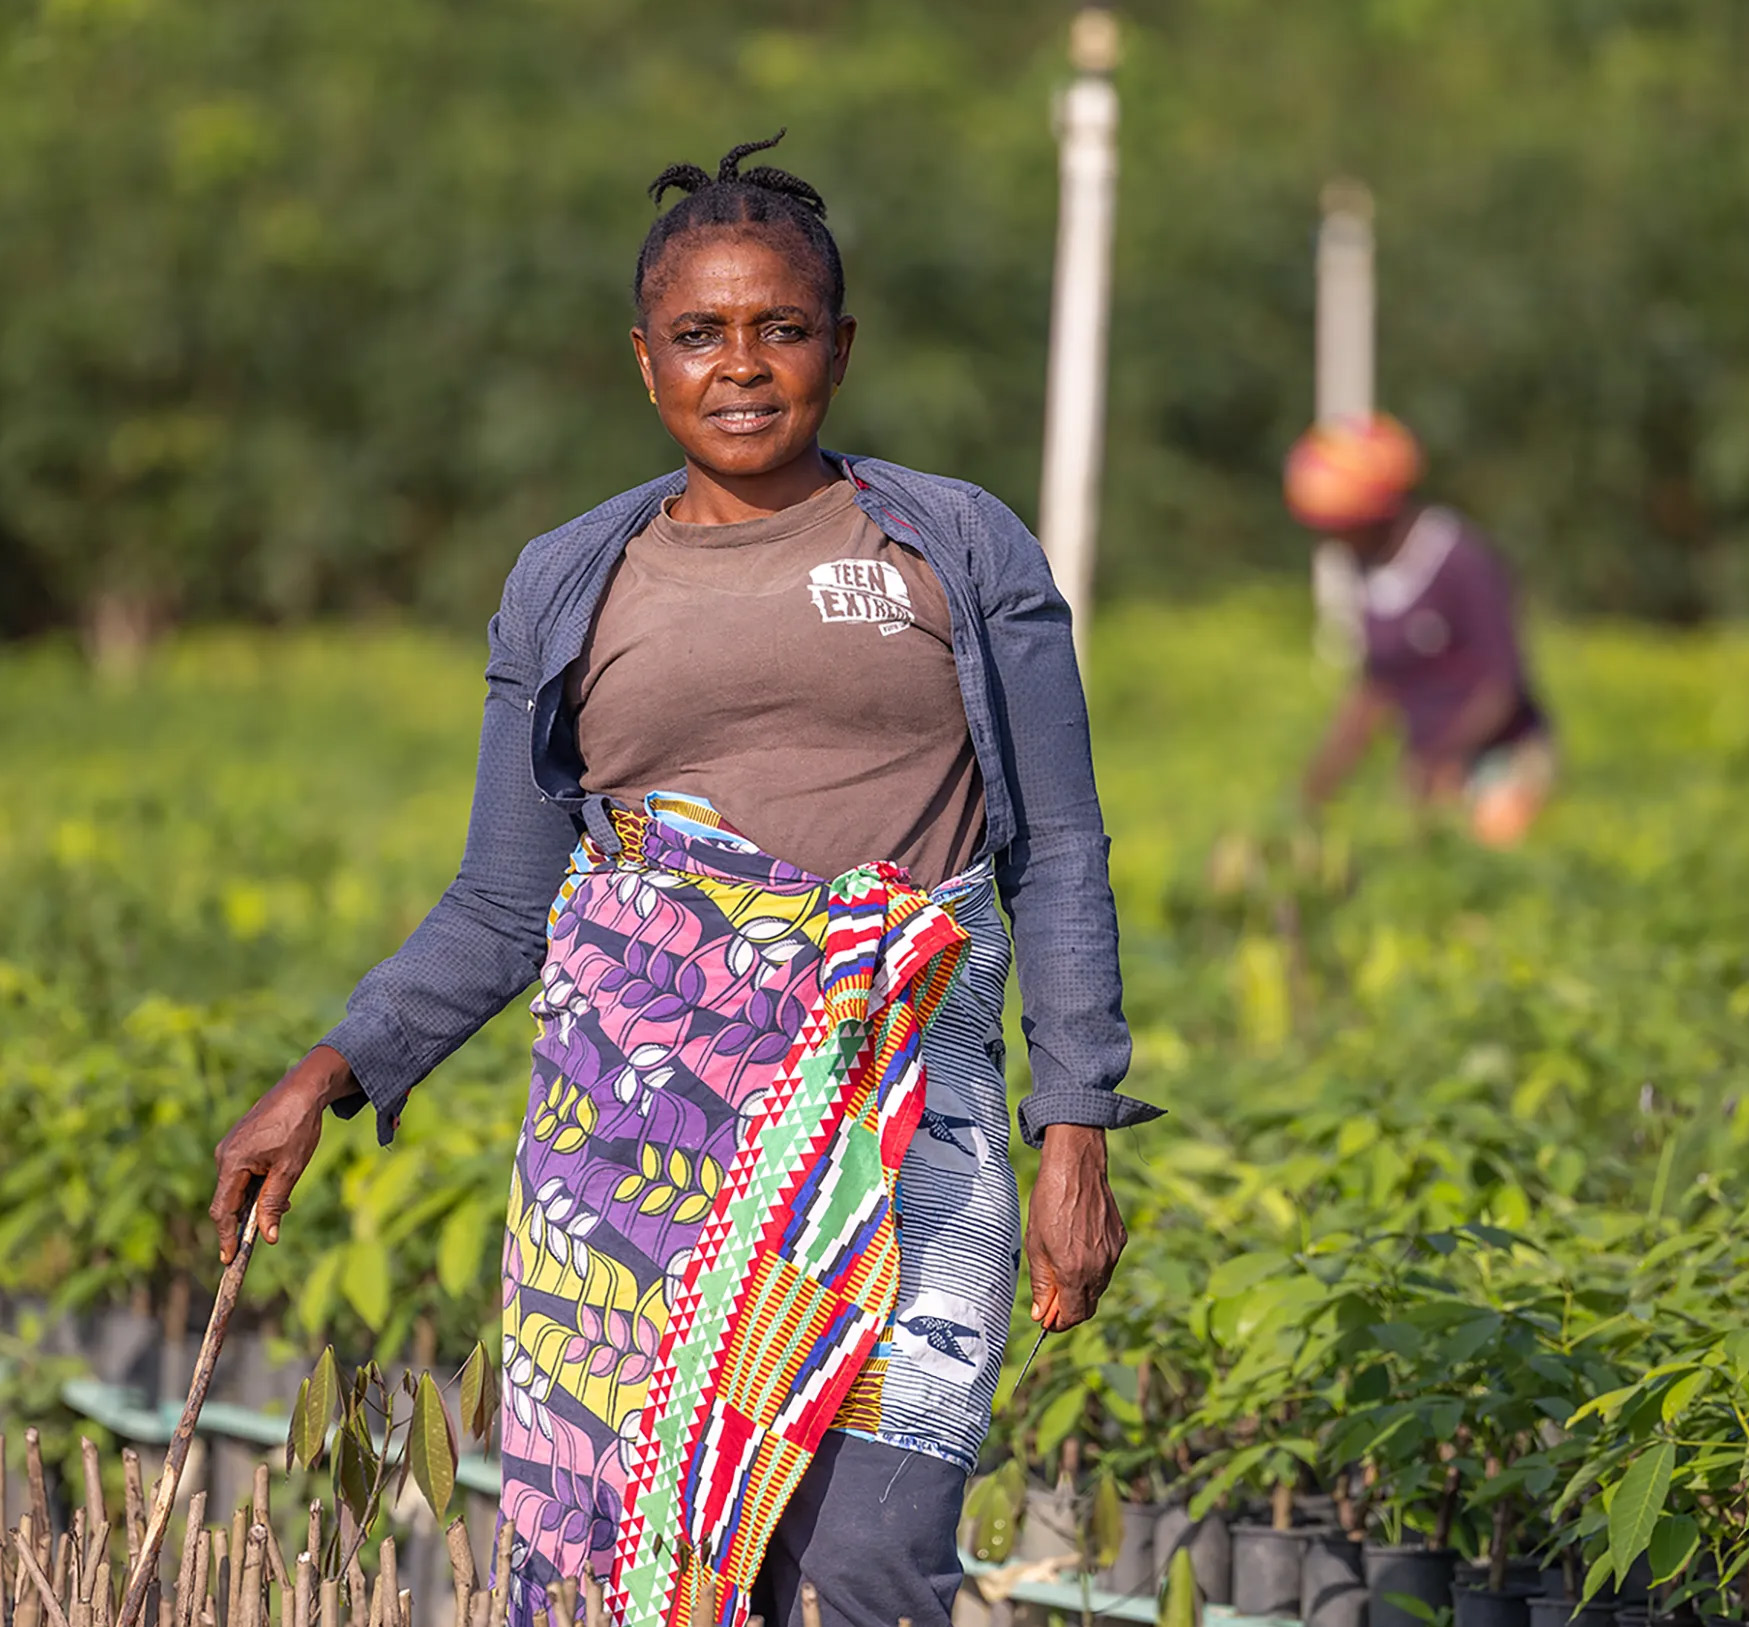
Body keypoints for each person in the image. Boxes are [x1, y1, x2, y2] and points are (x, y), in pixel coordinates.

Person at [207, 133, 1158, 1627]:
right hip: (644, 1152)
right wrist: (329, 1069)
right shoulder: (573, 577)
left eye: (780, 328)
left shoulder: (955, 544)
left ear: (839, 349)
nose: (743, 366)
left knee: (866, 1558)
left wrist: (1078, 1124)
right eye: (701, 333)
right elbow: (503, 902)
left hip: (918, 1113)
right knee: (640, 1563)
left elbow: (1062, 851)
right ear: (643, 358)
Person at [1288, 414, 1553, 846]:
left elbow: (1503, 683)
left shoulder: (1460, 562)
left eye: (1339, 525)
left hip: (1498, 760)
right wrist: (1318, 785)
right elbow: (1377, 684)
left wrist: (1445, 758)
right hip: (1428, 768)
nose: (1330, 540)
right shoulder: (1368, 572)